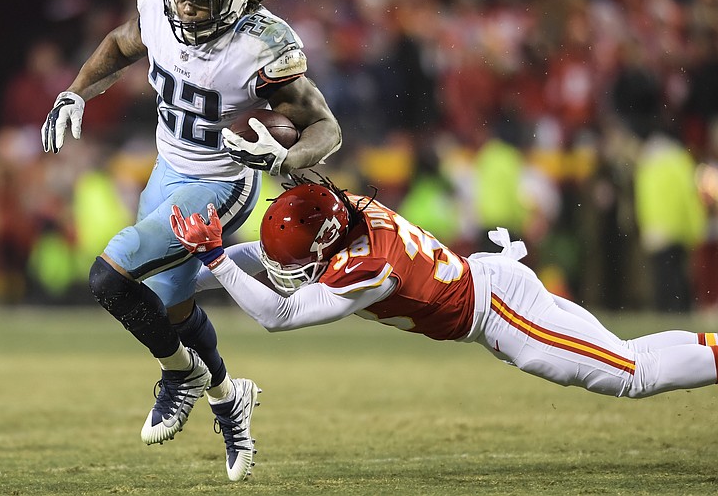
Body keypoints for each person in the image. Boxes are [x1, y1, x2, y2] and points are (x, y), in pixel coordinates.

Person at [39, 0, 342, 482]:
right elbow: (120, 43)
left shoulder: (262, 46)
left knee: (110, 279)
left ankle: (181, 372)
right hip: (166, 169)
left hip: (221, 183)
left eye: (200, 4)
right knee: (169, 305)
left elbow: (325, 126)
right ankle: (229, 399)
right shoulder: (159, 3)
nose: (185, 12)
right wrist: (74, 92)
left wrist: (282, 157)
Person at [172, 174, 718, 420]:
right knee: (628, 356)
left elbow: (279, 314)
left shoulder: (372, 268)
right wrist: (179, 277)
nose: (286, 270)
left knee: (631, 374)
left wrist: (215, 258)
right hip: (493, 287)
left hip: (501, 313)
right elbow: (273, 260)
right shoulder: (344, 211)